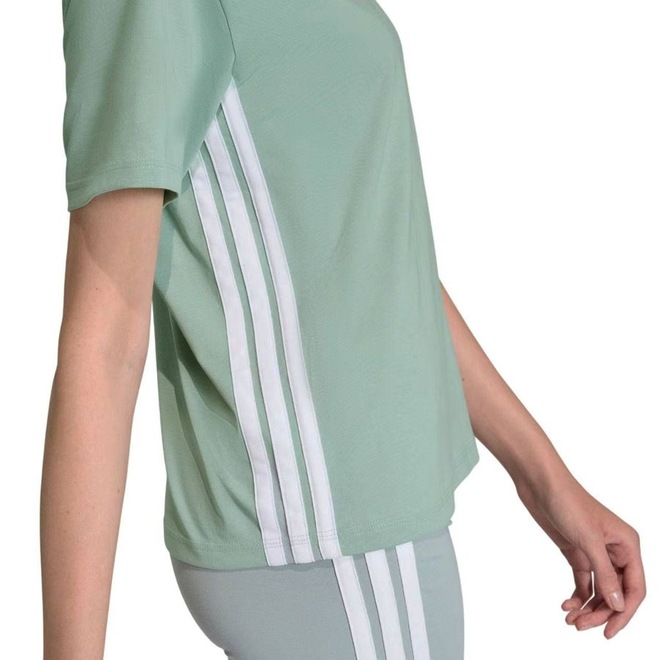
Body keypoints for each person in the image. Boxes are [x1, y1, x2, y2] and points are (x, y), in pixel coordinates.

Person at [40, 1, 646, 658]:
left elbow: (366, 269)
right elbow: (103, 339)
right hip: (327, 537)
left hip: (361, 527)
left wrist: (544, 479)